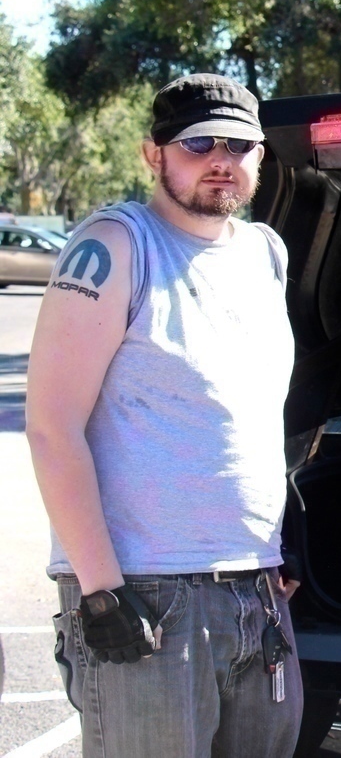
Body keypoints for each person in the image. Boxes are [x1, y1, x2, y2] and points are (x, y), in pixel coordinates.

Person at [27, 73, 303, 756]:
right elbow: (52, 426)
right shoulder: (115, 245)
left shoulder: (266, 254)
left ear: (261, 155)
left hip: (257, 591)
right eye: (198, 143)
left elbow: (251, 410)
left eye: (239, 145)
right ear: (154, 154)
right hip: (145, 594)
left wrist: (283, 526)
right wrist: (101, 591)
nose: (220, 160)